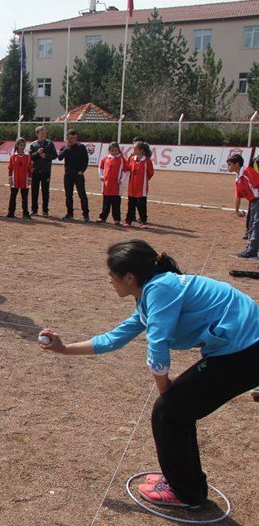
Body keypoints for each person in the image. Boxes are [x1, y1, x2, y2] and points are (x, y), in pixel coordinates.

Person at [39, 239, 259, 509]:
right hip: (241, 348)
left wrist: (165, 388)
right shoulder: (151, 293)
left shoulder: (160, 290)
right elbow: (113, 339)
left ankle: (186, 493)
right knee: (177, 409)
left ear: (129, 277)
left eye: (111, 275)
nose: (109, 280)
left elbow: (158, 346)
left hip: (246, 352)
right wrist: (64, 349)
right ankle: (187, 483)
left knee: (168, 411)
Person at [225, 153, 259, 258]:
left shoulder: (247, 172)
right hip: (254, 201)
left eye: (229, 164)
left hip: (257, 200)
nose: (228, 167)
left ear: (237, 164)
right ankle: (250, 248)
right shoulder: (238, 177)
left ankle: (252, 251)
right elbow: (238, 195)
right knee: (252, 224)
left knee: (255, 225)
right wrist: (236, 210)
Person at [58, 130, 90, 222]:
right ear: (67, 138)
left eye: (75, 138)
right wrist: (66, 148)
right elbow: (60, 158)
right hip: (68, 175)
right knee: (68, 195)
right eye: (71, 138)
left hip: (78, 175)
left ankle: (86, 214)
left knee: (82, 194)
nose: (73, 140)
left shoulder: (81, 147)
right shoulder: (65, 147)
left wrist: (82, 170)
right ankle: (69, 213)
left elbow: (85, 160)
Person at [29, 125, 58, 217]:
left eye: (45, 133)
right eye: (42, 133)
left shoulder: (50, 144)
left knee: (45, 191)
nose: (44, 135)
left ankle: (45, 211)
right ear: (37, 134)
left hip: (46, 171)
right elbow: (30, 157)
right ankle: (34, 210)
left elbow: (55, 155)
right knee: (34, 191)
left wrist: (46, 156)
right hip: (35, 171)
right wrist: (38, 153)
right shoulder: (33, 144)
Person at [124, 142, 154, 228]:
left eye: (136, 149)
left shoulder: (147, 161)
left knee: (141, 205)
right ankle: (128, 220)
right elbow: (127, 168)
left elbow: (150, 173)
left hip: (142, 187)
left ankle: (144, 221)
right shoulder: (132, 158)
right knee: (131, 204)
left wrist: (143, 180)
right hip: (132, 186)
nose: (134, 151)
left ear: (141, 150)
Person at [97, 142, 127, 224]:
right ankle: (102, 217)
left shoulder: (121, 159)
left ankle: (116, 219)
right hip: (107, 186)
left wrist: (121, 180)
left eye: (116, 150)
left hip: (116, 186)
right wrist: (101, 176)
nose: (114, 152)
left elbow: (126, 170)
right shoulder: (106, 158)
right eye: (112, 150)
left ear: (118, 150)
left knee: (116, 204)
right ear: (109, 150)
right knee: (106, 203)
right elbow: (100, 167)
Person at [7, 138, 33, 219]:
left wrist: (30, 179)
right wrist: (10, 178)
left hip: (24, 180)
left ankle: (25, 213)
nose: (22, 147)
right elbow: (10, 168)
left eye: (24, 145)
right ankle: (11, 213)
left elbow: (29, 169)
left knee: (25, 197)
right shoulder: (13, 156)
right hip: (15, 179)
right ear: (17, 146)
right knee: (13, 196)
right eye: (21, 145)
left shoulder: (28, 157)